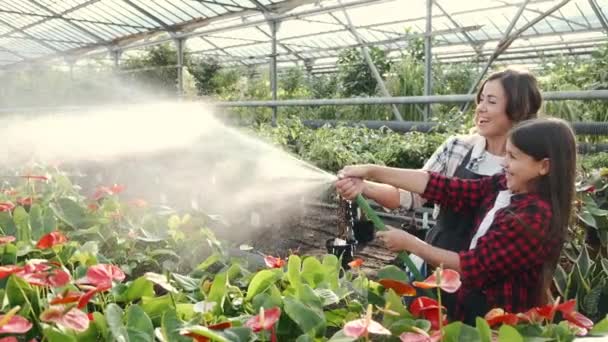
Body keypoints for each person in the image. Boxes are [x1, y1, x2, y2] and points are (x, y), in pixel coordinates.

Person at [338, 67, 543, 314]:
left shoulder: (524, 176)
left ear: (518, 108)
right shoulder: (458, 149)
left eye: (491, 101)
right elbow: (424, 192)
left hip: (487, 284)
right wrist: (365, 184)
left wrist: (412, 243)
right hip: (436, 267)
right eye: (480, 100)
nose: (480, 107)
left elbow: (478, 264)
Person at [337, 118, 576, 324]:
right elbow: (447, 188)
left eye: (513, 157)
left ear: (544, 166)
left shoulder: (534, 216)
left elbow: (474, 266)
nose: (504, 163)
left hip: (500, 322)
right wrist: (370, 172)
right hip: (473, 308)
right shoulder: (505, 186)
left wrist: (412, 244)